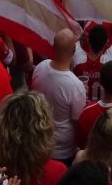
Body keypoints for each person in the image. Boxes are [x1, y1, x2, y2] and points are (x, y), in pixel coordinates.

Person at [31, 28, 87, 163]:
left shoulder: (40, 67)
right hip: (63, 152)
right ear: (74, 51)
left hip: (38, 141)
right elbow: (77, 121)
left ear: (53, 47)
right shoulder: (76, 86)